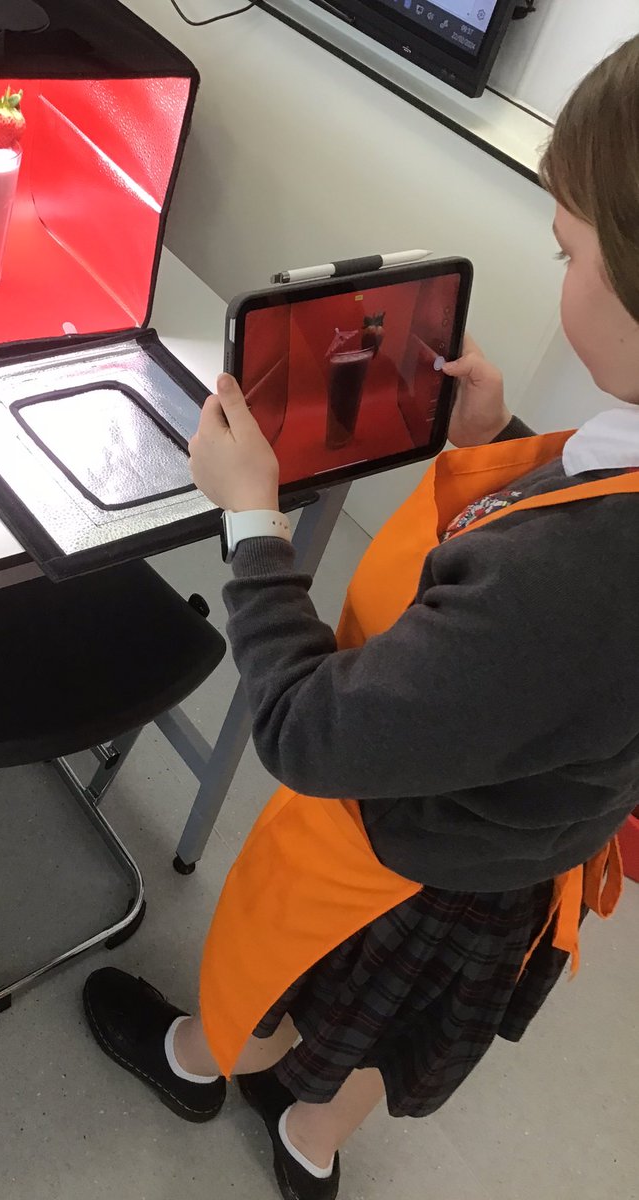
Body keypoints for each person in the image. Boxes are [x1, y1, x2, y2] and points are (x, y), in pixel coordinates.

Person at [82, 36, 639, 1200]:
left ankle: (196, 1064)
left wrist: (253, 525)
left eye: (573, 247)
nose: (554, 252)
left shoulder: (582, 586)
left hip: (402, 860)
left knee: (296, 985)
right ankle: (308, 1144)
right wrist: (489, 445)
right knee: (395, 1033)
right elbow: (569, 587)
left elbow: (303, 728)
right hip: (523, 864)